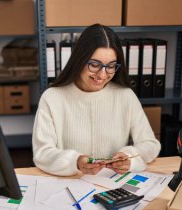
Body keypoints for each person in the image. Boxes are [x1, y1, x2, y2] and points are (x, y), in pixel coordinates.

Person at [32, 23, 160, 176]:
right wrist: (75, 162)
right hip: (71, 184)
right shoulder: (52, 98)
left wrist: (129, 156)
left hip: (113, 184)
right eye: (94, 65)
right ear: (79, 60)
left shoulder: (125, 96)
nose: (102, 75)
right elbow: (42, 153)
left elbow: (151, 145)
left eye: (111, 66)